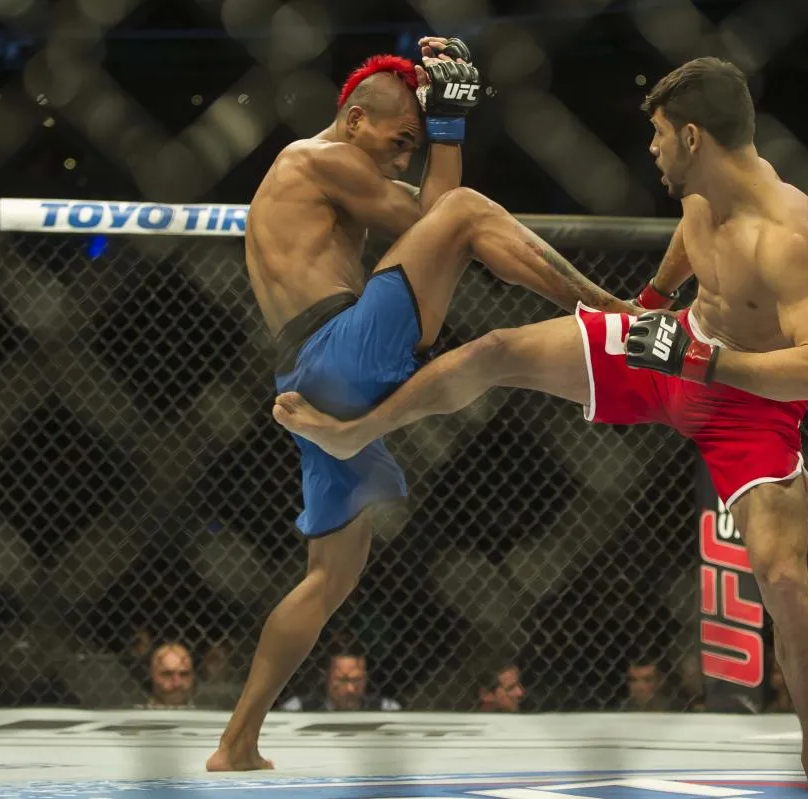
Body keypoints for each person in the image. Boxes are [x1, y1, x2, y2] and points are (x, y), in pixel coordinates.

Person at [273, 57, 808, 794]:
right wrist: (654, 300)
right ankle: (358, 430)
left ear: (692, 137)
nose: (650, 148)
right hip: (670, 348)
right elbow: (694, 239)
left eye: (658, 134)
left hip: (748, 402)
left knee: (782, 578)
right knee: (495, 350)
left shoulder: (790, 234)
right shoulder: (703, 190)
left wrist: (702, 360)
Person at [207, 41, 637, 772]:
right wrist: (449, 129)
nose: (404, 156)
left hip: (310, 377)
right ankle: (617, 314)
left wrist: (441, 127)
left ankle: (236, 740)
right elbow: (441, 215)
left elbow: (423, 218)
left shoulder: (321, 173)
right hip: (337, 348)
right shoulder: (319, 157)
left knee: (329, 575)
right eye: (399, 139)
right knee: (466, 210)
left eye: (414, 144)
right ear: (354, 120)